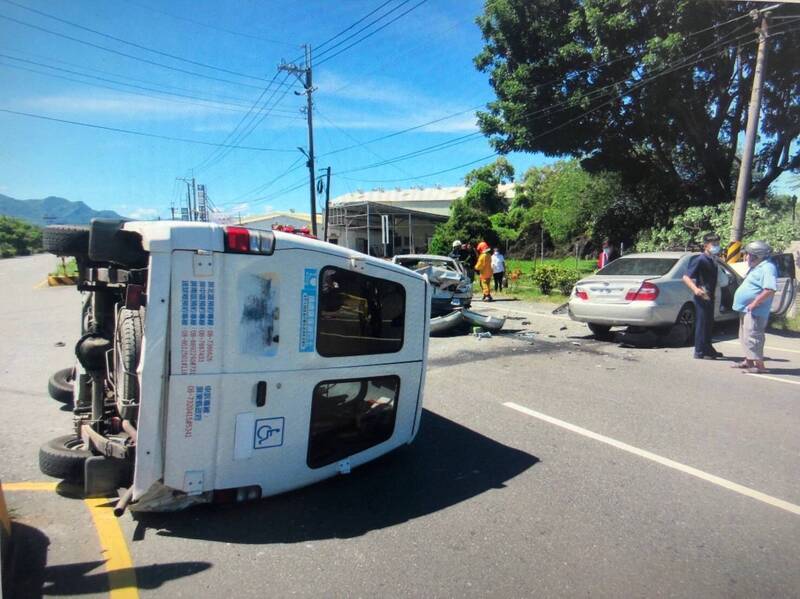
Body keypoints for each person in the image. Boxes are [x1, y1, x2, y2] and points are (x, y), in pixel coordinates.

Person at [731, 240, 777, 374]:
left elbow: (769, 289)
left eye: (749, 255)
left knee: (754, 336)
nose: (746, 257)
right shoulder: (758, 267)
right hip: (746, 309)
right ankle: (748, 361)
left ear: (758, 256)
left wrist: (754, 303)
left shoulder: (768, 268)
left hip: (755, 310)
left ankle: (760, 366)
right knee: (745, 336)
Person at [682, 233, 723, 360]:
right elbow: (686, 277)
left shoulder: (713, 259)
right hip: (702, 295)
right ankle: (699, 351)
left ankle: (708, 349)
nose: (716, 246)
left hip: (711, 295)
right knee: (702, 323)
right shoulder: (700, 259)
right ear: (706, 246)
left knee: (709, 323)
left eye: (717, 243)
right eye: (714, 244)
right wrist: (695, 289)